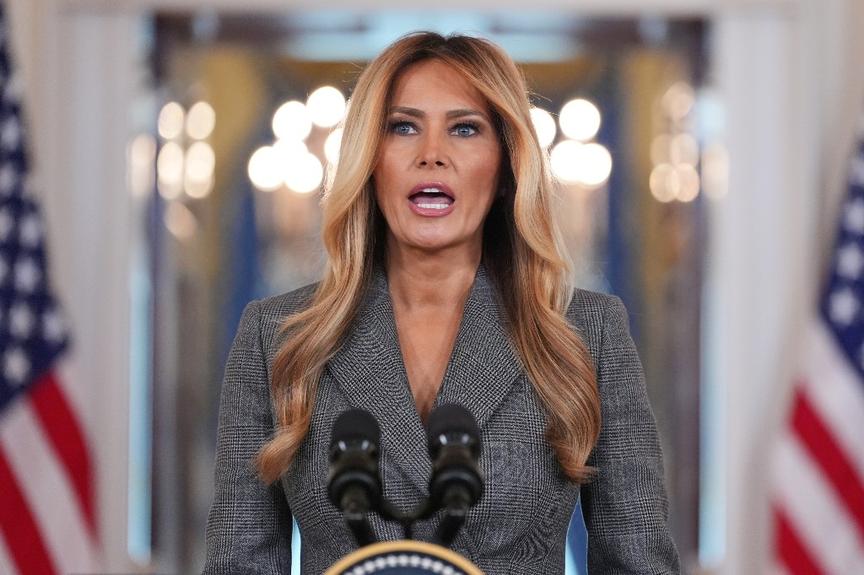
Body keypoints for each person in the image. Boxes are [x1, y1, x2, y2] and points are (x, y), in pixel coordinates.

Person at [204, 32, 680, 574]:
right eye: (403, 127)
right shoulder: (278, 337)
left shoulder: (586, 333)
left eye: (465, 128)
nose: (432, 155)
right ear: (369, 159)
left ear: (506, 165)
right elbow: (237, 564)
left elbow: (639, 562)